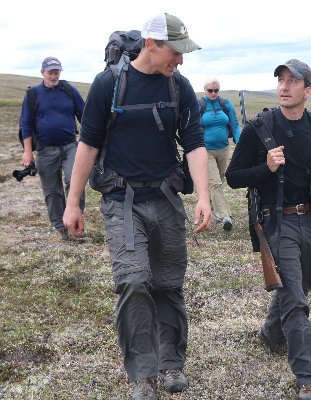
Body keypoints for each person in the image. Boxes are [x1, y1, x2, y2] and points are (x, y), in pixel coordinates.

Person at [63, 13, 212, 400]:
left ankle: (172, 364)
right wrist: (73, 202)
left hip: (166, 200)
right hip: (121, 203)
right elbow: (88, 145)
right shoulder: (108, 85)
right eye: (175, 52)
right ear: (152, 44)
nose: (180, 60)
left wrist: (204, 197)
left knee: (168, 284)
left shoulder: (179, 86)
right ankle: (143, 375)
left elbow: (195, 143)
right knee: (133, 282)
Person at [225, 59, 311, 400]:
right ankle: (309, 375)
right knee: (295, 298)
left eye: (293, 81)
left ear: (307, 91)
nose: (284, 86)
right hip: (275, 220)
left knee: (302, 285)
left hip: (310, 220)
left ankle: (270, 332)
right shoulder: (259, 127)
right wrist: (265, 167)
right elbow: (233, 177)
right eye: (281, 80)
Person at [19, 56, 85, 240]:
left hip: (71, 145)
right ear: (42, 73)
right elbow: (25, 123)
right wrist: (27, 151)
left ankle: (76, 221)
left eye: (57, 72)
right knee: (52, 190)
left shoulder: (68, 90)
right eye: (51, 73)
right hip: (45, 150)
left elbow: (84, 114)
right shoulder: (33, 95)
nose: (54, 76)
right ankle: (61, 227)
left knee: (74, 182)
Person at [198, 78, 241, 230]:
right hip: (206, 150)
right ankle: (225, 216)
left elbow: (234, 124)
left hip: (224, 148)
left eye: (216, 90)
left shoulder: (225, 104)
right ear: (205, 90)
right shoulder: (200, 105)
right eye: (210, 90)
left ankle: (207, 212)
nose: (213, 93)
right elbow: (193, 127)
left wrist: (240, 141)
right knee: (215, 183)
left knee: (219, 181)